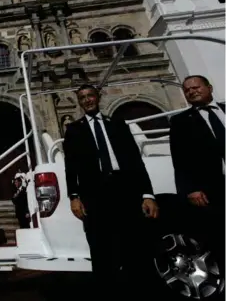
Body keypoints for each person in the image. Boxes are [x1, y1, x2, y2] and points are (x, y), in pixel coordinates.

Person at [62, 84, 159, 297]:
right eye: (82, 97)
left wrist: (147, 194)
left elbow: (135, 161)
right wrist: (74, 196)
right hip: (94, 194)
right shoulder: (74, 129)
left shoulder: (117, 123)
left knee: (135, 246)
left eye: (90, 96)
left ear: (98, 97)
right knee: (101, 250)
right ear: (79, 102)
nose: (87, 100)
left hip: (125, 190)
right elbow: (71, 167)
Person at [169, 75, 225, 270]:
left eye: (196, 87)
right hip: (215, 188)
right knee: (220, 238)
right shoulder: (180, 121)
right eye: (187, 90)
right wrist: (190, 188)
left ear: (209, 87)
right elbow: (180, 159)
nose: (192, 91)